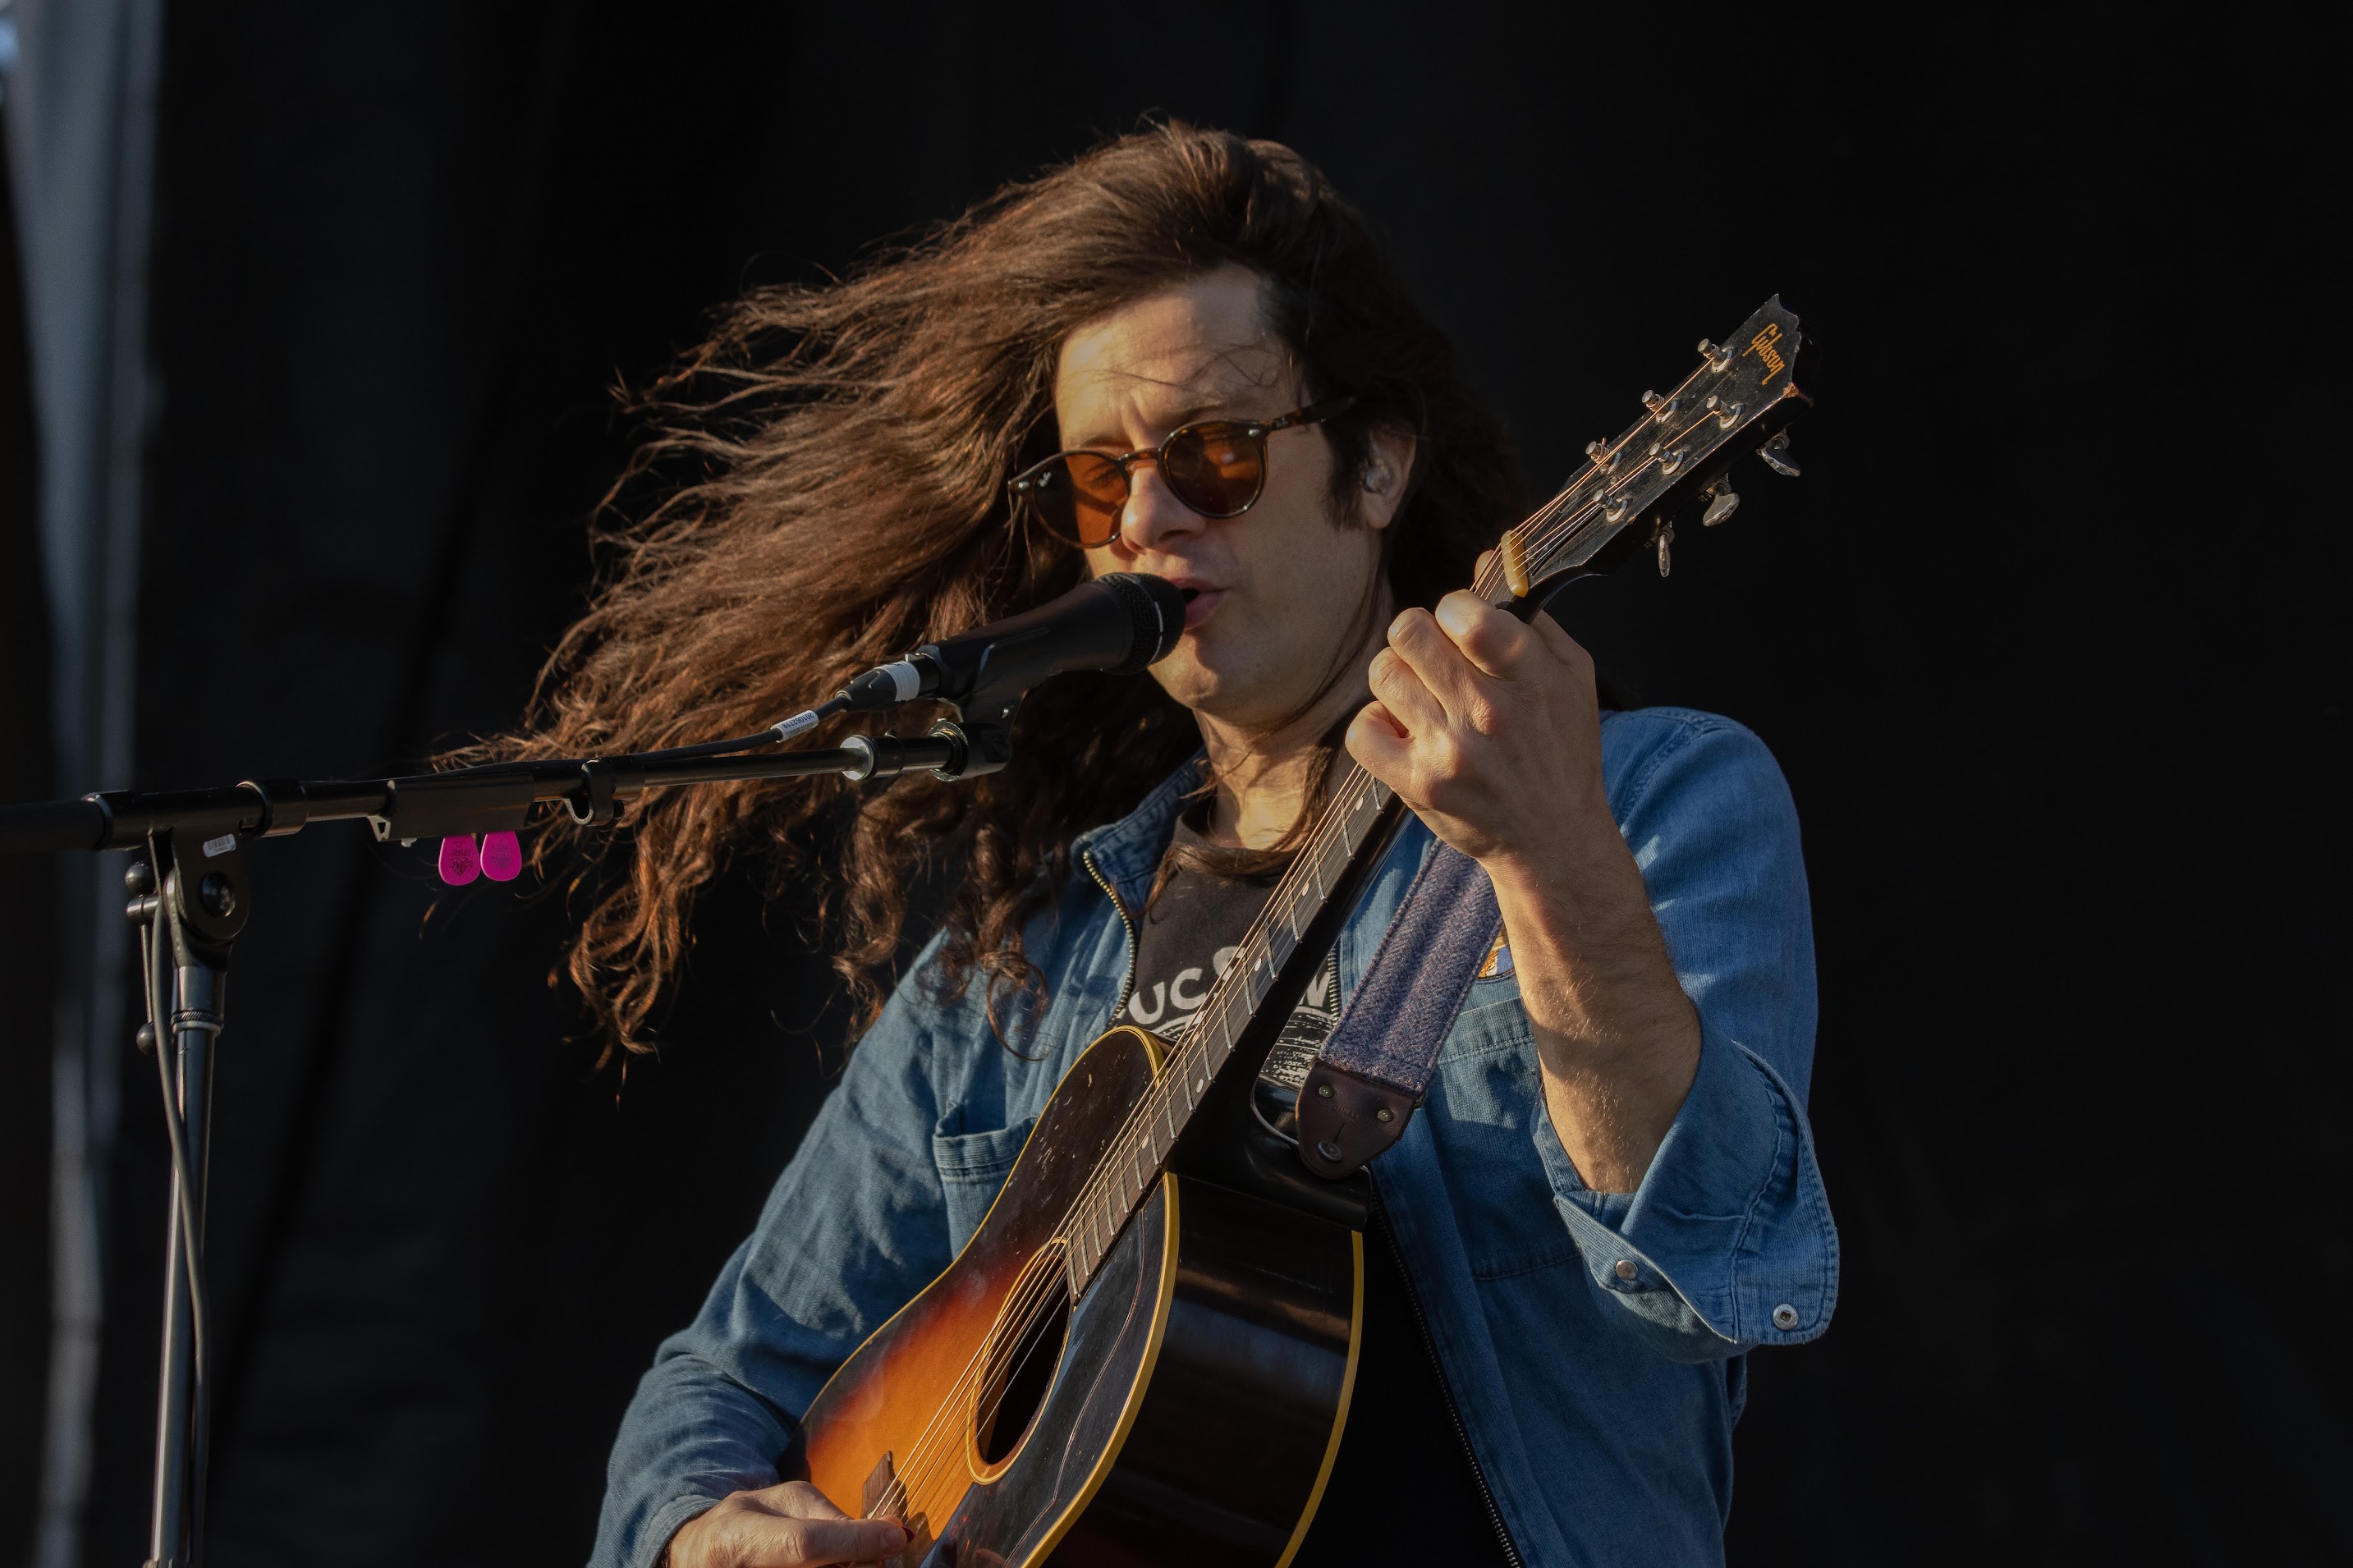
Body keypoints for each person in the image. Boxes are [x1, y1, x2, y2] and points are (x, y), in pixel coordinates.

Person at [530, 124, 1833, 1568]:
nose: (1145, 518)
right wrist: (700, 1533)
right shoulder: (1021, 965)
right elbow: (722, 1375)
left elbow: (1711, 1269)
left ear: (1378, 464)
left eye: (1212, 456)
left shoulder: (1651, 796)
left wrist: (1549, 859)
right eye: (1098, 481)